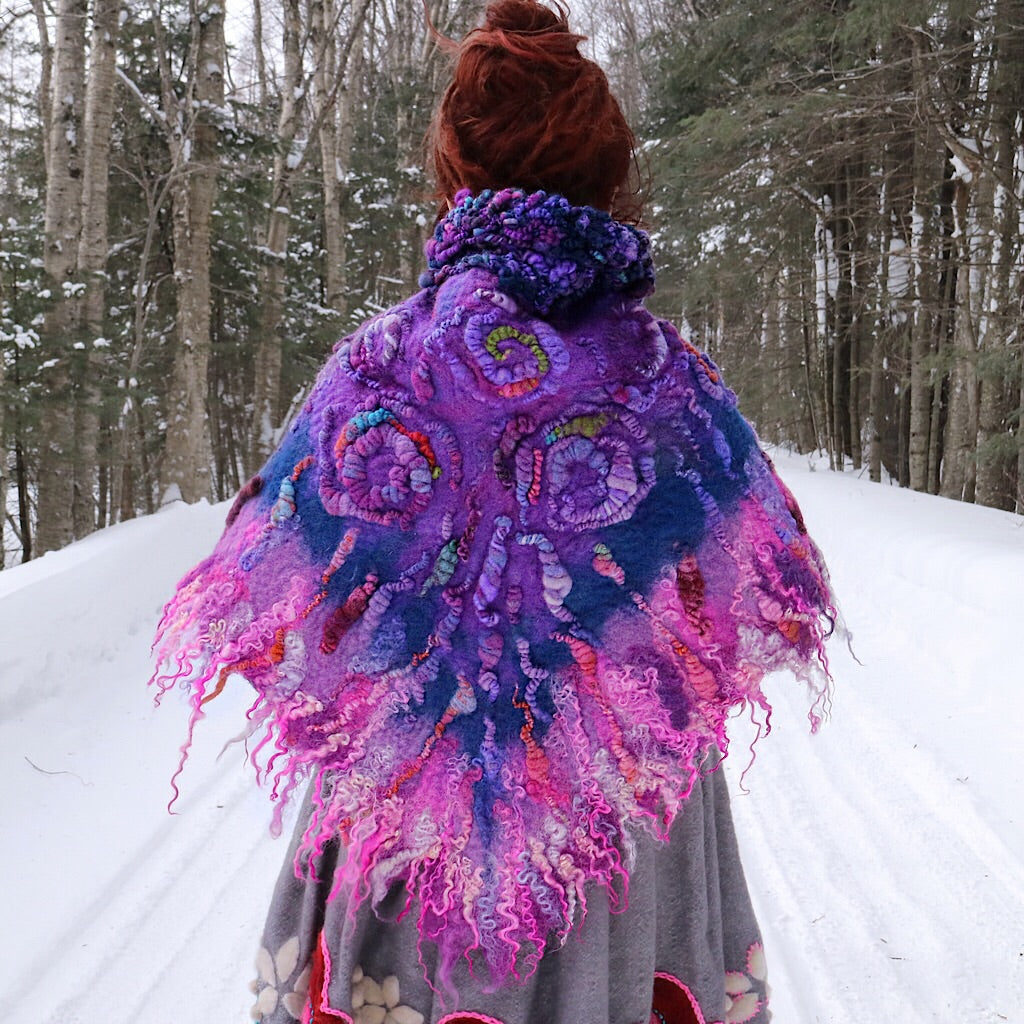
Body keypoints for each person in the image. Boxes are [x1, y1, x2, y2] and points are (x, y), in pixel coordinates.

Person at [151, 3, 836, 1022]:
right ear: (611, 177)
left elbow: (263, 579)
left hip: (397, 846)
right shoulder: (669, 387)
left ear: (454, 175)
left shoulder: (374, 371)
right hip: (621, 828)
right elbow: (767, 576)